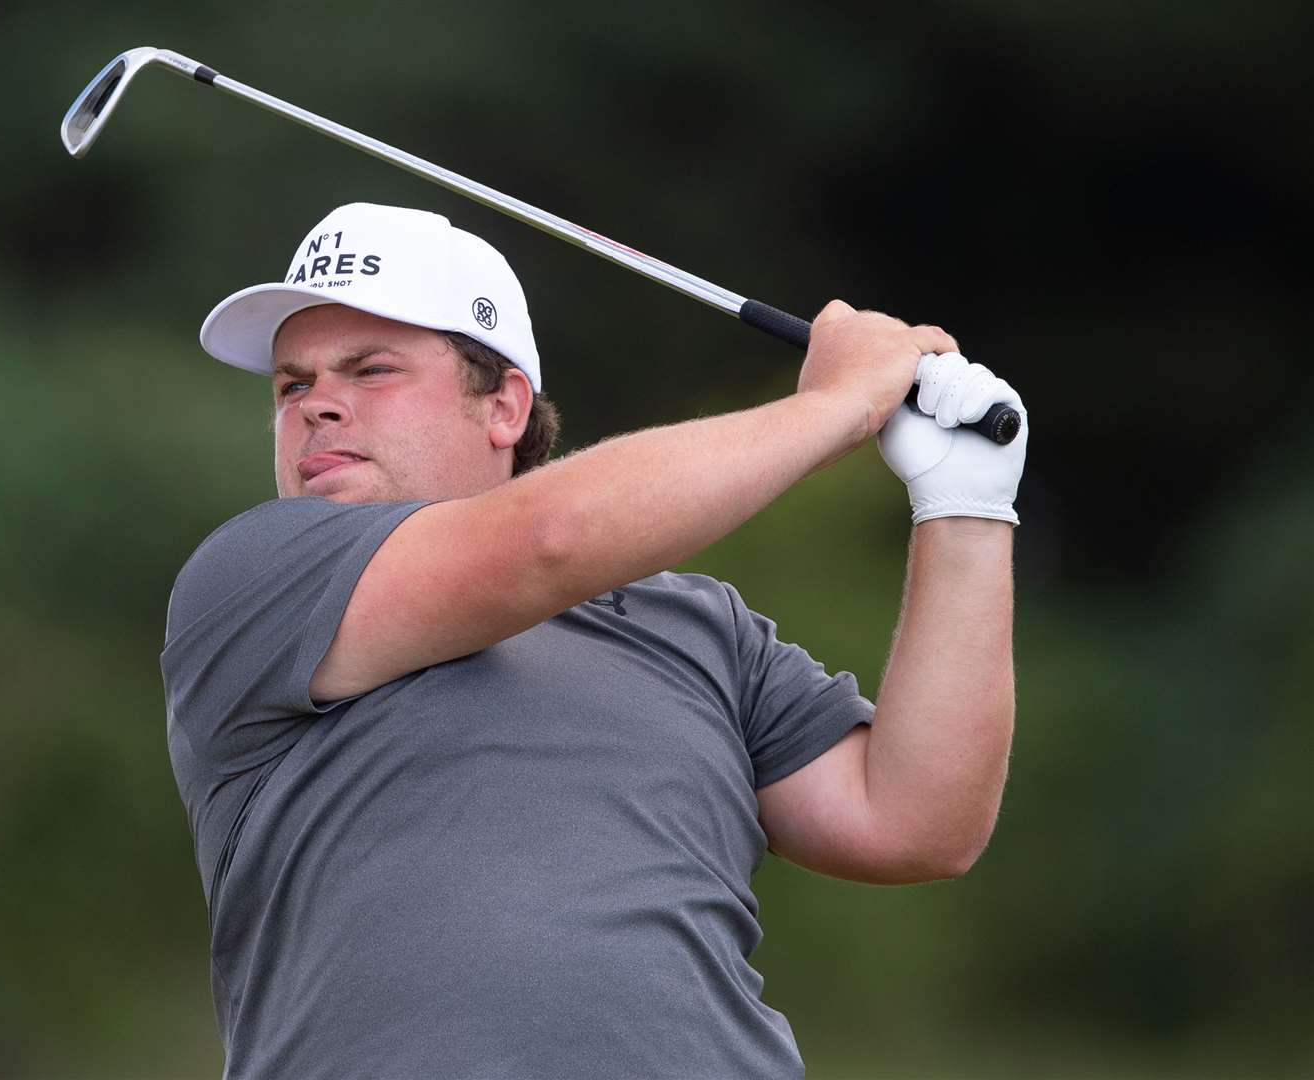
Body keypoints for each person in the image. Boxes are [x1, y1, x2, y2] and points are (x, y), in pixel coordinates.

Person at [162, 202, 1028, 1079]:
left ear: (502, 407)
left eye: (370, 370)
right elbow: (548, 540)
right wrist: (841, 403)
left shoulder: (696, 627)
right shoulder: (256, 581)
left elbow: (917, 825)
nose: (318, 408)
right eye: (291, 384)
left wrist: (967, 506)